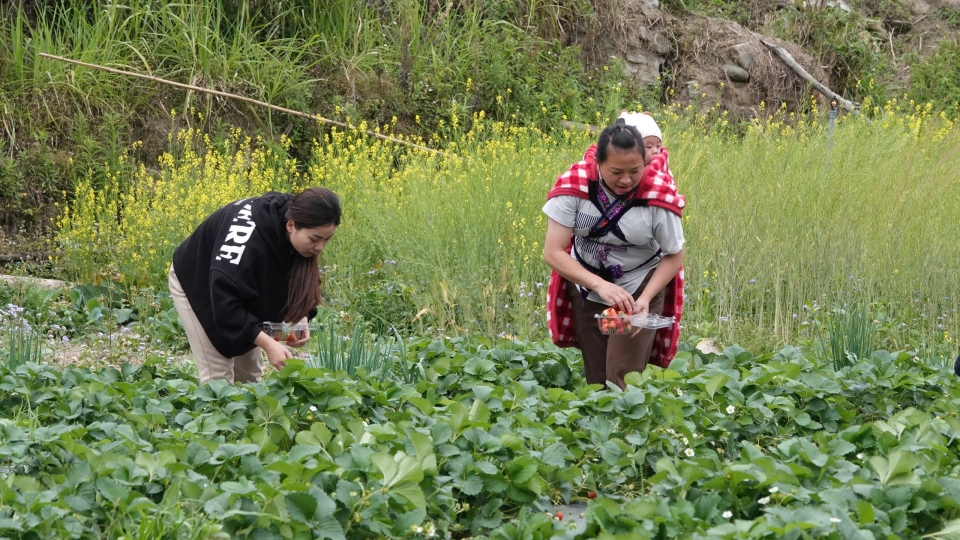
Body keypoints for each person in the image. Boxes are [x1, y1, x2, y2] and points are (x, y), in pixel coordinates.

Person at [542, 113, 685, 389]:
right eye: (616, 172)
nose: (626, 180)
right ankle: (599, 428)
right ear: (598, 163)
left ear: (645, 161)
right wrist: (599, 286)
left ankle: (627, 426)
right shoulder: (574, 188)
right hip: (588, 288)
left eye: (634, 171)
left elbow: (674, 253)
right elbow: (553, 251)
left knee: (620, 375)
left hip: (635, 291)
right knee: (596, 377)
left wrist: (645, 298)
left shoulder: (656, 196)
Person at [168, 187, 341, 384]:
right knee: (218, 380)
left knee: (249, 377)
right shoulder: (246, 247)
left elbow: (298, 276)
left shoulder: (300, 215)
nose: (320, 247)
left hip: (236, 284)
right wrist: (268, 344)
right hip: (199, 281)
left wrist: (301, 314)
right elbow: (226, 306)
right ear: (291, 225)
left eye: (327, 239)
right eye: (315, 239)